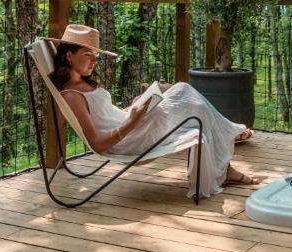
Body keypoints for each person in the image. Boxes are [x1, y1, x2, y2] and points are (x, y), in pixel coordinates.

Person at [46, 24, 260, 198]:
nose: (94, 61)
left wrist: (132, 108)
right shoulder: (72, 96)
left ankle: (228, 145)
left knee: (183, 92)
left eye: (95, 55)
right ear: (69, 57)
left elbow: (108, 116)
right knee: (187, 99)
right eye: (87, 54)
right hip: (126, 139)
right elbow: (96, 143)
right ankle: (230, 138)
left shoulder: (86, 84)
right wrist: (132, 121)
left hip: (131, 126)